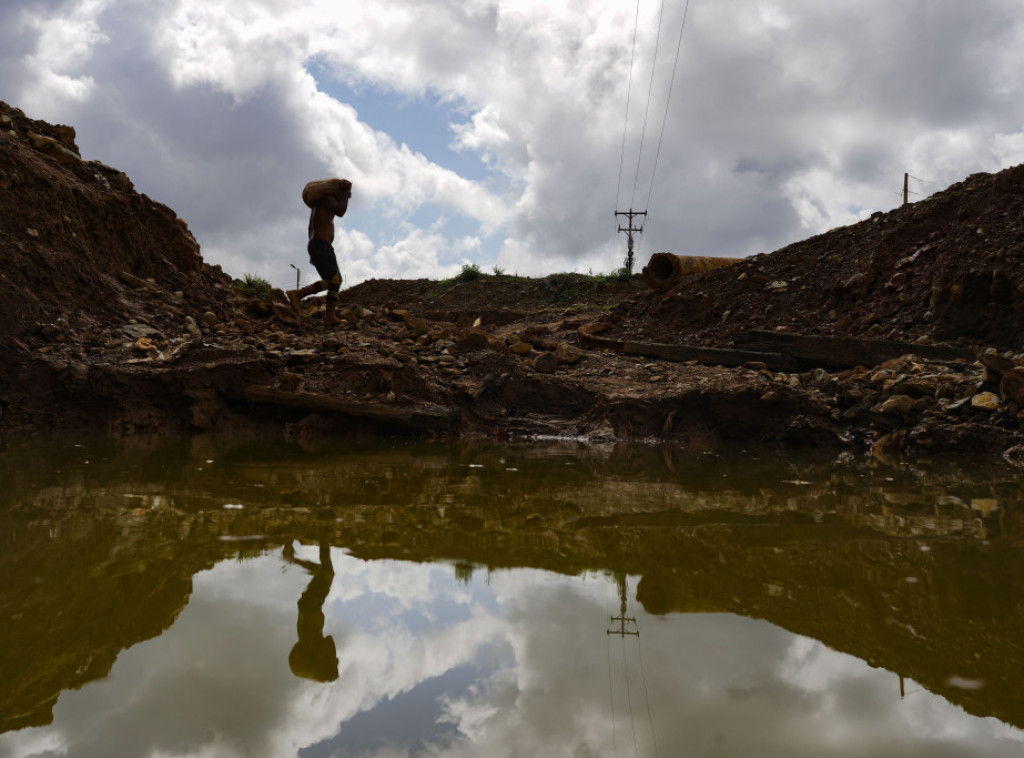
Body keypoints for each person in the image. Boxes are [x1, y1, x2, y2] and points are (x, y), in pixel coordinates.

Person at [288, 179, 351, 327]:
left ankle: (330, 317)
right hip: (322, 245)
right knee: (333, 281)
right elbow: (341, 211)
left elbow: (310, 229)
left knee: (336, 281)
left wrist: (313, 251)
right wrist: (346, 192)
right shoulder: (327, 199)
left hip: (318, 245)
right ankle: (298, 294)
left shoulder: (318, 205)